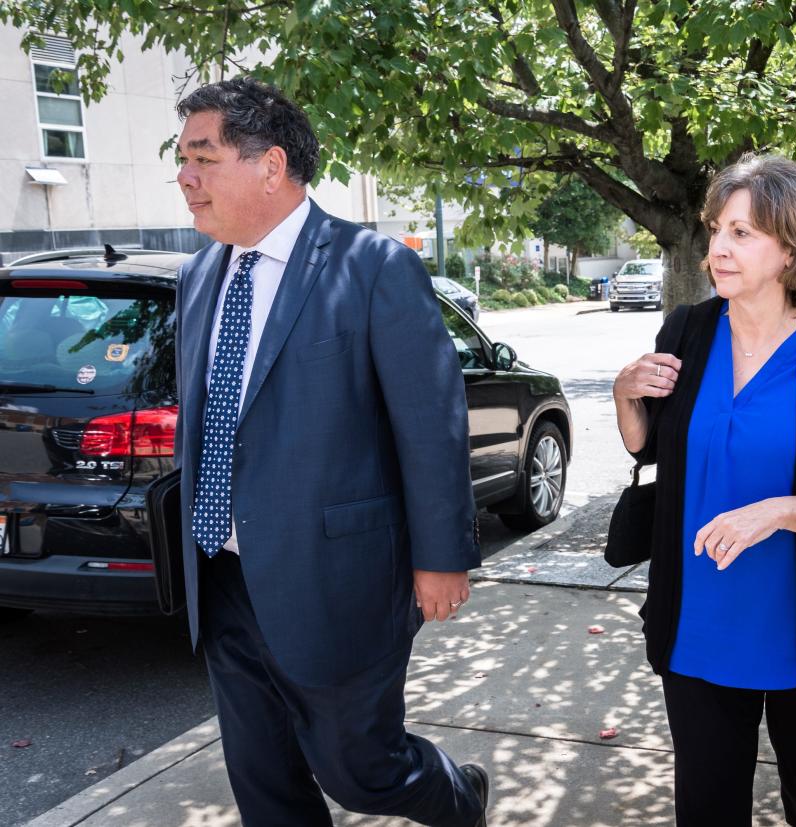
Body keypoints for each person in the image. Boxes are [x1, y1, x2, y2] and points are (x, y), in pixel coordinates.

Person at [171, 77, 488, 827]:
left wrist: (442, 556)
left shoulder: (371, 266)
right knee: (265, 780)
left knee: (362, 770)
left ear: (270, 164)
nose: (185, 177)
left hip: (338, 578)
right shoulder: (196, 277)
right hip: (223, 574)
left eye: (202, 158)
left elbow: (429, 419)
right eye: (181, 161)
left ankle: (457, 797)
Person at [612, 154, 796, 826]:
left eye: (742, 233)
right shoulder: (687, 330)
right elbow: (651, 447)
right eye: (717, 228)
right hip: (700, 622)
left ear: (792, 248)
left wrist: (775, 512)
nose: (718, 246)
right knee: (707, 809)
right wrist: (625, 393)